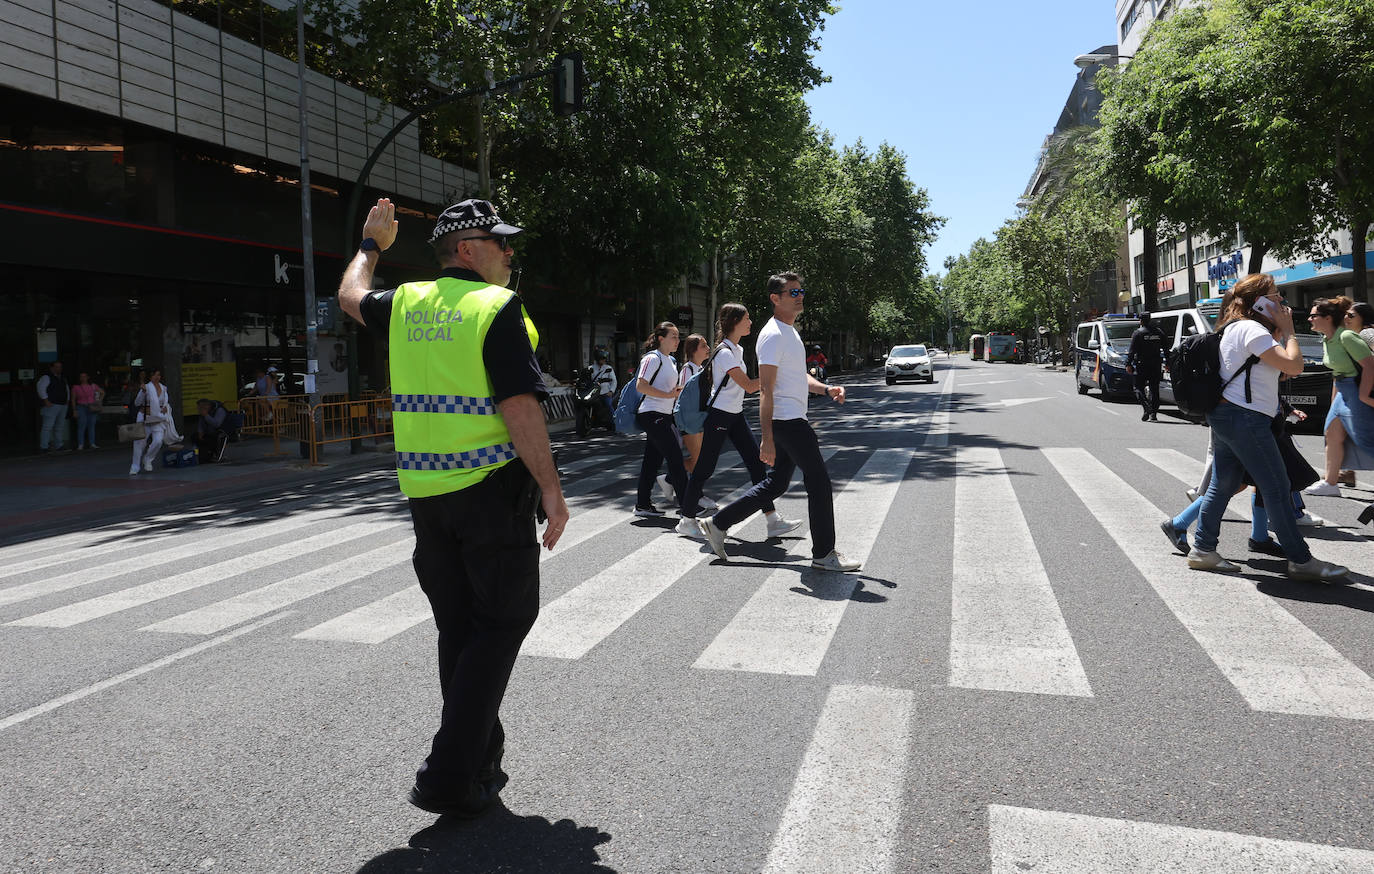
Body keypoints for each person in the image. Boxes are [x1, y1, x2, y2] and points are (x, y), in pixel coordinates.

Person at [337, 197, 567, 820]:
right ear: (467, 249)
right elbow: (520, 406)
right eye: (501, 242)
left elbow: (351, 296)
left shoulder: (406, 303)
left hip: (426, 498)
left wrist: (371, 247)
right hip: (490, 491)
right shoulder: (496, 307)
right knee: (504, 623)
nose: (510, 253)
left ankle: (478, 764)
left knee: (461, 631)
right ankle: (446, 775)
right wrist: (550, 488)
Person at [1187, 274, 1346, 580]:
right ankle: (1301, 561)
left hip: (1229, 414)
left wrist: (1279, 338)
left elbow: (1275, 370)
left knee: (1222, 484)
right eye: (1275, 296)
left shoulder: (1235, 327)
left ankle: (1203, 549)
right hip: (1245, 418)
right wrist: (1290, 332)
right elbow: (1294, 366)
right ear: (1259, 302)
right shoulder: (1251, 328)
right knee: (1276, 486)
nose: (1281, 301)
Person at [700, 272, 860, 571]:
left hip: (790, 418)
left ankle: (718, 522)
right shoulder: (773, 335)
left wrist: (826, 389)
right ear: (775, 298)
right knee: (819, 482)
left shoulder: (790, 332)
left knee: (776, 483)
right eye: (793, 292)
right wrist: (767, 437)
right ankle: (824, 553)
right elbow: (766, 388)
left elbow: (797, 376)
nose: (800, 296)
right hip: (787, 421)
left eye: (801, 291)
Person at [678, 304, 797, 540]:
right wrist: (776, 373)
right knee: (704, 469)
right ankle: (686, 520)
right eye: (747, 318)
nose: (750, 322)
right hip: (720, 416)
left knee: (757, 465)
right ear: (734, 322)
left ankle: (772, 520)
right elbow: (749, 386)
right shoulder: (724, 353)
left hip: (735, 414)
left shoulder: (738, 350)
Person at [1302, 296, 1374, 498]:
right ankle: (1330, 483)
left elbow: (1370, 366)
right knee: (1332, 435)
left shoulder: (1346, 337)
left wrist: (1363, 394)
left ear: (1328, 318)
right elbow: (1337, 372)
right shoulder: (1328, 339)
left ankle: (1331, 482)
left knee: (1366, 440)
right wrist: (1335, 401)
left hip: (1355, 391)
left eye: (1313, 316)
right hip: (1343, 391)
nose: (1309, 319)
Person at [632, 321, 688, 517]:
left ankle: (642, 505)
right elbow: (641, 385)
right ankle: (688, 508)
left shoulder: (671, 360)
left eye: (678, 337)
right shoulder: (652, 358)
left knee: (652, 462)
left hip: (664, 414)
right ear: (661, 339)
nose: (677, 340)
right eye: (673, 337)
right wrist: (668, 395)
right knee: (675, 459)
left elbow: (667, 389)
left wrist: (676, 393)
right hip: (651, 414)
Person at [1335, 301, 1374, 487]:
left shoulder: (1367, 333)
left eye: (1351, 315)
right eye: (1345, 314)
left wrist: (1364, 395)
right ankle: (1345, 471)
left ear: (1363, 319)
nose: (1346, 318)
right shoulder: (1354, 336)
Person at [676, 334, 710, 477]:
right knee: (699, 463)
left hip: (699, 418)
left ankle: (671, 478)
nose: (708, 348)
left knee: (700, 461)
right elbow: (682, 395)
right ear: (693, 350)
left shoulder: (701, 369)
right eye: (703, 346)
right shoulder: (687, 370)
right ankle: (671, 475)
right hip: (690, 420)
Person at [1125, 312, 1168, 422]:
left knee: (1138, 387)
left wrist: (1128, 364)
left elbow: (1132, 351)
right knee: (1154, 389)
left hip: (1142, 364)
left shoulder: (1138, 333)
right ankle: (1153, 413)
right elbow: (1166, 349)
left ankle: (1146, 407)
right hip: (1156, 364)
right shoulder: (1159, 332)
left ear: (1141, 321)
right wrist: (1168, 363)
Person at [129, 367, 170, 475]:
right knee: (139, 443)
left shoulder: (163, 388)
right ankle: (135, 466)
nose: (157, 377)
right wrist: (143, 392)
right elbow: (137, 403)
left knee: (158, 441)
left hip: (158, 418)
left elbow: (165, 403)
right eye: (155, 375)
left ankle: (148, 459)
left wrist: (165, 408)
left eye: (159, 375)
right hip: (144, 417)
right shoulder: (146, 387)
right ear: (150, 376)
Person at [36, 360, 69, 452]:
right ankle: (44, 447)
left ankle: (59, 445)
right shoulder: (46, 377)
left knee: (59, 427)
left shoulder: (63, 378)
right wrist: (46, 400)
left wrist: (67, 400)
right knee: (47, 427)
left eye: (60, 367)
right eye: (57, 367)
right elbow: (41, 388)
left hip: (62, 405)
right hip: (51, 405)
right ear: (52, 368)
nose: (59, 368)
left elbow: (67, 389)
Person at [71, 370, 103, 450]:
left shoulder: (93, 386)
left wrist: (98, 401)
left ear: (88, 377)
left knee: (91, 426)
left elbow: (102, 392)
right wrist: (74, 410)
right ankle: (81, 444)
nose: (83, 378)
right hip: (81, 407)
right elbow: (73, 399)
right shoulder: (76, 387)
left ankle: (92, 443)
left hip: (92, 407)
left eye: (84, 376)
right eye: (81, 377)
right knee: (81, 425)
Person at [194, 398, 230, 463]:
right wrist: (200, 432)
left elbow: (216, 424)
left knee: (213, 438)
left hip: (221, 431)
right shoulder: (203, 413)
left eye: (201, 408)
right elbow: (200, 423)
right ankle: (204, 454)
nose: (199, 410)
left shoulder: (219, 410)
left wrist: (206, 415)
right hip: (209, 431)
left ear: (207, 406)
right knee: (195, 437)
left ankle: (214, 454)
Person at [591, 351, 617, 423]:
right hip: (594, 393)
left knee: (609, 405)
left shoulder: (608, 368)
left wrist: (611, 391)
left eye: (604, 359)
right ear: (597, 359)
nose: (603, 360)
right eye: (601, 359)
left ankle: (614, 422)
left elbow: (614, 381)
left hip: (605, 393)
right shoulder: (591, 368)